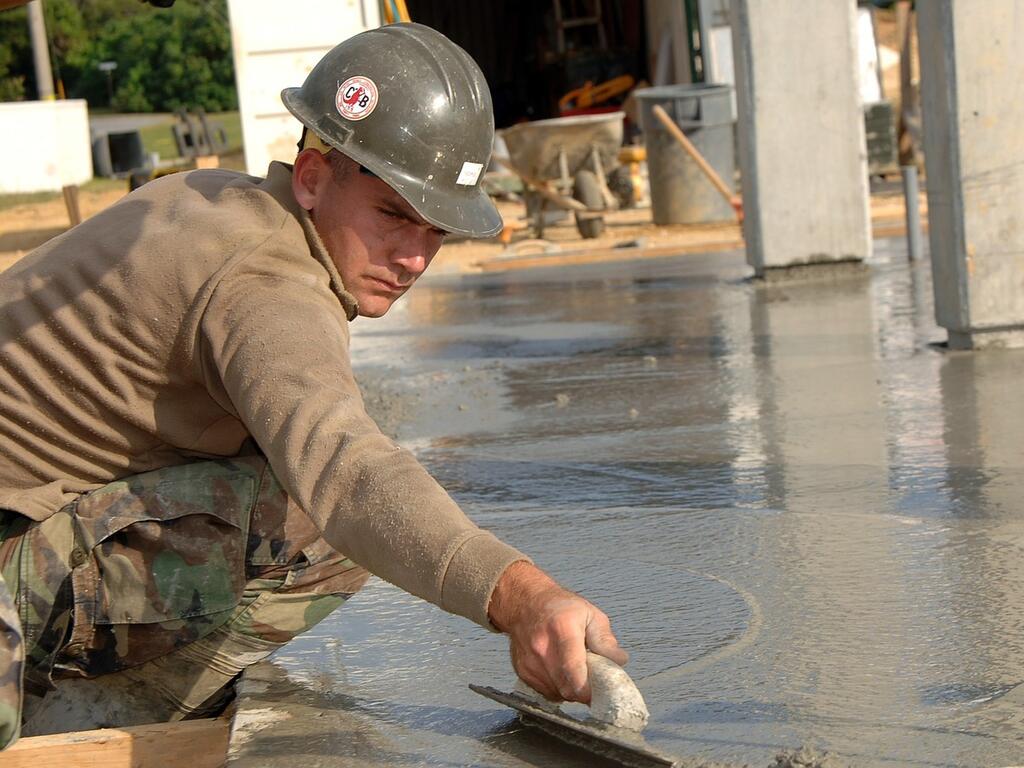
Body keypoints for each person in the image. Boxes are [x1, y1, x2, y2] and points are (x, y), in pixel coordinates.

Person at [0, 23, 625, 743]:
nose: (414, 258)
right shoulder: (268, 286)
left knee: (289, 484)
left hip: (25, 517)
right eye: (394, 214)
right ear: (312, 177)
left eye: (436, 232)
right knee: (315, 522)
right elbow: (350, 472)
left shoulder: (215, 198)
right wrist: (521, 597)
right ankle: (100, 715)